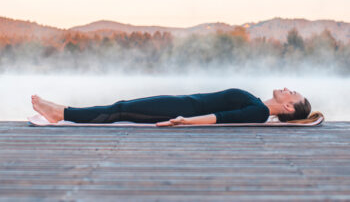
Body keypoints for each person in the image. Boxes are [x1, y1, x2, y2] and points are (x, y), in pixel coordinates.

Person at [31, 87, 312, 126]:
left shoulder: (260, 112)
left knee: (120, 109)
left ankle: (61, 113)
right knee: (122, 107)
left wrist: (184, 121)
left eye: (293, 93)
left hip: (182, 109)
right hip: (182, 104)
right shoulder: (259, 106)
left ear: (288, 107)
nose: (288, 87)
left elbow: (221, 118)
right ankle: (63, 111)